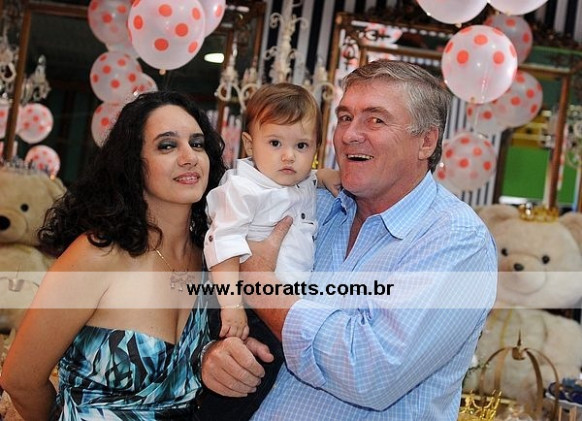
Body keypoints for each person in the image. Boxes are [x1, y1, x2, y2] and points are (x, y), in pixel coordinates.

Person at [200, 60, 498, 420]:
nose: (349, 135)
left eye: (375, 120)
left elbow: (370, 372)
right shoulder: (314, 202)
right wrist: (213, 353)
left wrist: (259, 282)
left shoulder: (454, 240)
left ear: (426, 141)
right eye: (345, 117)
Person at [0, 91, 249, 420]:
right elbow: (20, 379)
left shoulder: (214, 263)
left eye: (197, 143)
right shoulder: (98, 255)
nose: (189, 157)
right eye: (167, 145)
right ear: (133, 163)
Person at [199, 83, 339, 421]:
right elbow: (222, 245)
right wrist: (232, 307)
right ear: (250, 144)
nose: (288, 156)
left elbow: (310, 178)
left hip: (280, 306)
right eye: (275, 143)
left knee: (262, 383)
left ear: (316, 148)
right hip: (241, 306)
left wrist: (323, 175)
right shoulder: (243, 188)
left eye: (301, 145)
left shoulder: (299, 182)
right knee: (238, 386)